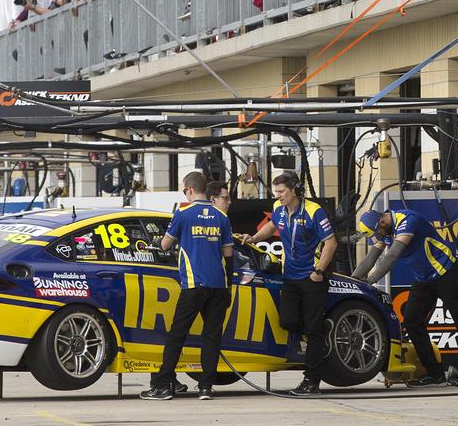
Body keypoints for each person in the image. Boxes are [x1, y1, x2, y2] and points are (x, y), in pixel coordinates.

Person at [354, 208, 458, 387]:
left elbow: (391, 256)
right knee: (412, 322)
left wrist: (370, 281)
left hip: (445, 272)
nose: (377, 237)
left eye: (377, 233)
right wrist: (353, 281)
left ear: (382, 222)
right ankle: (435, 374)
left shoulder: (407, 220)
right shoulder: (384, 228)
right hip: (424, 278)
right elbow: (371, 257)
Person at [241, 172, 336, 396]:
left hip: (312, 278)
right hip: (290, 277)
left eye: (282, 192)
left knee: (312, 330)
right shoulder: (279, 208)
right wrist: (254, 238)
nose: (279, 196)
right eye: (276, 193)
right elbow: (272, 226)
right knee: (288, 320)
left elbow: (331, 243)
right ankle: (322, 329)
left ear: (295, 190)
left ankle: (311, 381)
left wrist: (319, 271)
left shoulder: (314, 211)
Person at [141, 171, 233, 401]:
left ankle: (162, 385)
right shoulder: (221, 216)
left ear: (189, 190)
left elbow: (164, 245)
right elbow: (228, 254)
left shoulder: (183, 213)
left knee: (176, 335)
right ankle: (205, 388)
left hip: (193, 285)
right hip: (219, 286)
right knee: (211, 337)